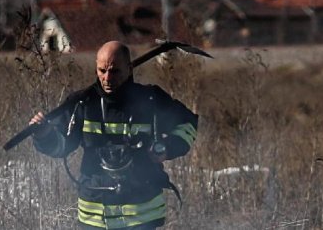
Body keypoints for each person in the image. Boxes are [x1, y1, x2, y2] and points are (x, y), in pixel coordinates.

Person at [29, 41, 198, 229]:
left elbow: (188, 123)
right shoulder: (82, 103)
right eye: (102, 70)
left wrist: (168, 148)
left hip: (141, 216)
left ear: (129, 69)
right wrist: (44, 134)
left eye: (115, 71)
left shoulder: (151, 99)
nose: (107, 78)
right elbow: (62, 146)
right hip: (94, 217)